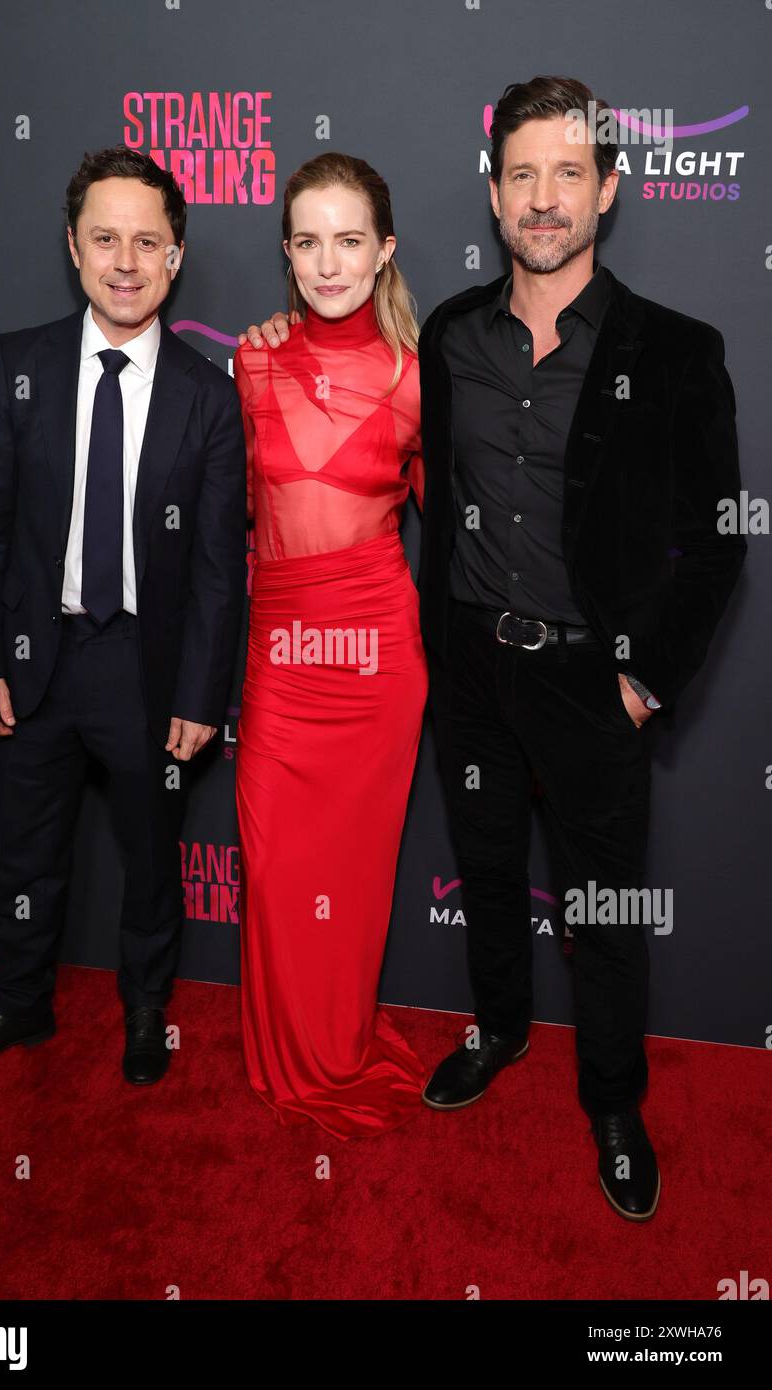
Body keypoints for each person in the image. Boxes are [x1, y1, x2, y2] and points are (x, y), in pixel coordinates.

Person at [242, 77, 747, 1218]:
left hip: (590, 679)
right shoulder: (449, 340)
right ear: (492, 191)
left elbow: (715, 545)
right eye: (521, 172)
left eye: (568, 172)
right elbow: (339, 391)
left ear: (608, 189)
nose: (543, 195)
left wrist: (638, 681)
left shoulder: (673, 350)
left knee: (604, 907)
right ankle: (498, 1029)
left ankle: (612, 1102)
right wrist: (281, 329)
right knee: (482, 877)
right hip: (465, 665)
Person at [0, 146, 247, 1086]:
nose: (126, 261)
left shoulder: (208, 394)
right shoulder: (17, 364)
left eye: (148, 241)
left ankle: (147, 1010)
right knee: (27, 854)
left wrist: (200, 692)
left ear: (176, 257)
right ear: (73, 246)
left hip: (146, 666)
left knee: (152, 859)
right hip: (35, 659)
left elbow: (223, 566)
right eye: (105, 238)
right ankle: (17, 1006)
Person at [233, 153, 427, 1139]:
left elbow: (476, 534)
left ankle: (338, 1045)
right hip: (280, 663)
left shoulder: (414, 377)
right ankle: (290, 1054)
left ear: (382, 250)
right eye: (306, 240)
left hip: (373, 662)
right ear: (287, 252)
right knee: (273, 873)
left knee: (348, 881)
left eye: (348, 239)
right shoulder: (251, 358)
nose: (326, 261)